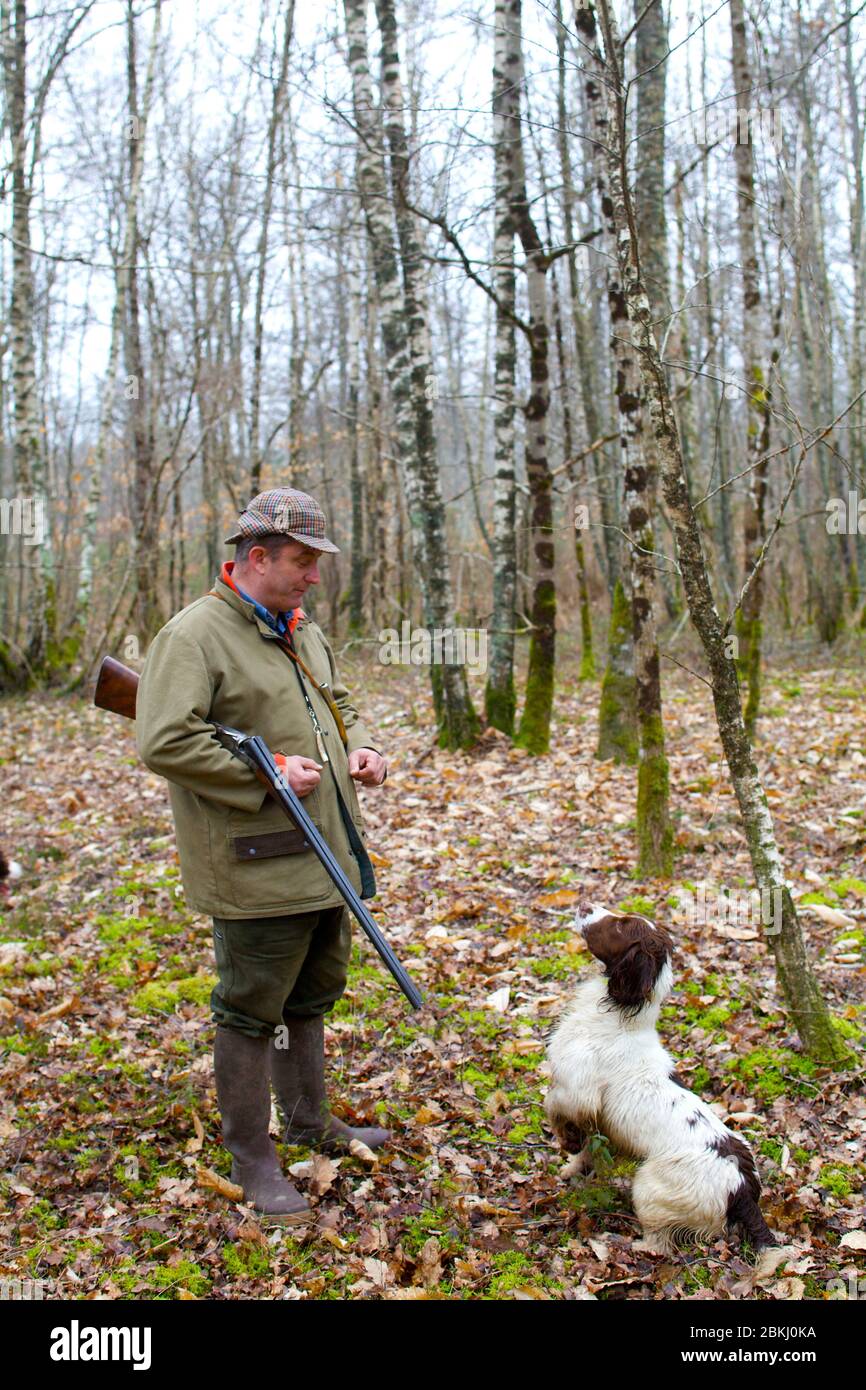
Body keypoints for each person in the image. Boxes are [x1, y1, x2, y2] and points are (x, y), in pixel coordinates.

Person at [135, 488, 389, 1222]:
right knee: (251, 1008)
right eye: (303, 562)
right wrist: (264, 769)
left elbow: (337, 701)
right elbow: (164, 740)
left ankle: (311, 1124)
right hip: (253, 858)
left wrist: (362, 746)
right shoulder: (193, 636)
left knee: (310, 995)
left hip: (325, 850)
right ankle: (254, 1159)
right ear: (256, 558)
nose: (314, 576)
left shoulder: (300, 630)